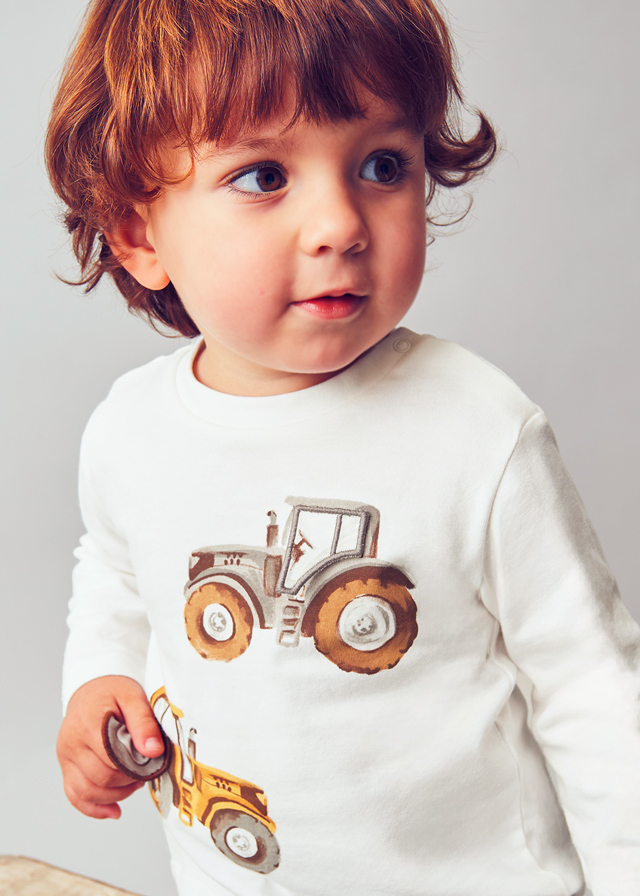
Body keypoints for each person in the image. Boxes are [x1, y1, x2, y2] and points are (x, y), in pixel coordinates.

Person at [46, 0, 640, 894]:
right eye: (263, 176)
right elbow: (118, 575)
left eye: (381, 165)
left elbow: (592, 689)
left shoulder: (476, 429)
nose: (340, 223)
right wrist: (96, 682)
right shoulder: (131, 429)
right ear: (138, 235)